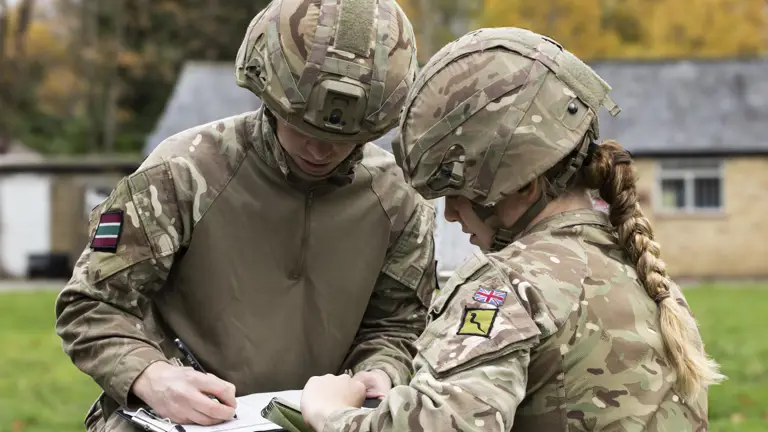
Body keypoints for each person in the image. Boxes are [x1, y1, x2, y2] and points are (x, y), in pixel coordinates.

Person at [299, 27, 724, 431]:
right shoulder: (634, 267)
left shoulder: (511, 287)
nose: (451, 215)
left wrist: (331, 414)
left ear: (523, 185)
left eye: (459, 193)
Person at [54, 0, 438, 430]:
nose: (319, 150)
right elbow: (91, 304)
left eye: (345, 138)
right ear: (268, 94)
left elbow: (398, 325)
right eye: (302, 127)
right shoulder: (183, 173)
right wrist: (152, 377)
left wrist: (381, 371)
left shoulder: (398, 201)